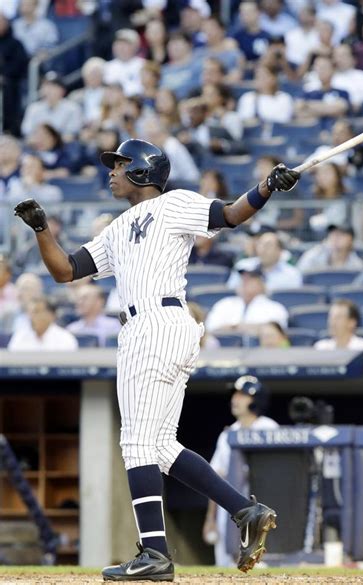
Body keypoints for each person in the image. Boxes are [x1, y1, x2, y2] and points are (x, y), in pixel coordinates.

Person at [13, 138, 299, 580]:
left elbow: (229, 214)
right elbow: (66, 270)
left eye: (120, 164)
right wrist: (41, 230)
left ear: (143, 170)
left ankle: (155, 553)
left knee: (136, 444)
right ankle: (245, 511)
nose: (111, 171)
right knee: (161, 446)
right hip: (154, 328)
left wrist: (266, 187)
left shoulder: (173, 203)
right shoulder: (117, 228)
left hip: (155, 322)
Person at [203, 376, 278, 566]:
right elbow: (216, 477)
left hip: (262, 508)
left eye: (242, 395)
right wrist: (210, 518)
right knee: (227, 565)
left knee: (262, 565)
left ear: (255, 399)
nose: (235, 399)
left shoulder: (268, 428)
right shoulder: (227, 434)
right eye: (235, 394)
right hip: (228, 511)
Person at [207, 267, 289, 333]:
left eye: (251, 279)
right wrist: (238, 327)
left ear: (262, 284)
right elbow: (210, 328)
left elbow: (276, 331)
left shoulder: (275, 307)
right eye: (243, 278)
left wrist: (234, 328)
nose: (245, 282)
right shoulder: (224, 304)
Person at [227, 232, 303, 291]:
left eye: (268, 245)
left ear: (280, 251)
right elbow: (231, 291)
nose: (263, 249)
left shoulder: (292, 274)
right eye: (260, 244)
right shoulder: (243, 266)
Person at [21, 72, 83, 139]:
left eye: (53, 86)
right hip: (38, 143)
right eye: (45, 86)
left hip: (62, 144)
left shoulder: (72, 107)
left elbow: (73, 132)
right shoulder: (33, 108)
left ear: (62, 90)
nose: (48, 90)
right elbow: (26, 131)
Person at [8, 297, 78, 351]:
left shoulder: (65, 338)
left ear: (51, 315)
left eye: (36, 312)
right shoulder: (20, 336)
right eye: (30, 312)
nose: (32, 316)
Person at [0, 12, 29, 136]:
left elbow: (19, 64)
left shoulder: (15, 44)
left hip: (11, 81)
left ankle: (9, 129)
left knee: (8, 90)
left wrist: (4, 75)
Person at [297, 223, 363, 273]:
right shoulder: (315, 256)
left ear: (351, 240)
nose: (335, 237)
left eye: (341, 234)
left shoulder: (357, 265)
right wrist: (320, 247)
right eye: (333, 233)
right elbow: (300, 274)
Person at [103, 29, 145, 97]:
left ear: (135, 46)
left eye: (125, 44)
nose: (121, 47)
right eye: (118, 44)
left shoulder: (143, 65)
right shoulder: (107, 67)